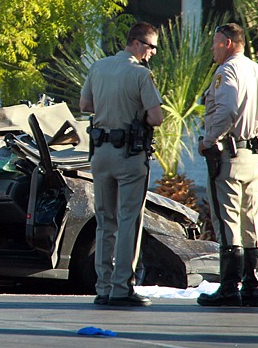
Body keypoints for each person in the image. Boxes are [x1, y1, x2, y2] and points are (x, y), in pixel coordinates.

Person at [197, 23, 258, 307]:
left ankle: (229, 287)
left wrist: (209, 138)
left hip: (230, 156)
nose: (213, 49)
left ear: (228, 43)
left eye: (216, 43)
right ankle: (252, 287)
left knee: (228, 220)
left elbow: (226, 110)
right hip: (253, 156)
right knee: (250, 218)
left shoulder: (228, 71)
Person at [80, 22, 164, 307]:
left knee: (105, 221)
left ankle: (102, 287)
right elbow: (156, 118)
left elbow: (84, 105)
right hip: (129, 156)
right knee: (129, 219)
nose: (152, 53)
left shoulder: (98, 67)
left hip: (100, 154)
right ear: (138, 43)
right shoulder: (140, 74)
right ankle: (121, 287)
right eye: (151, 47)